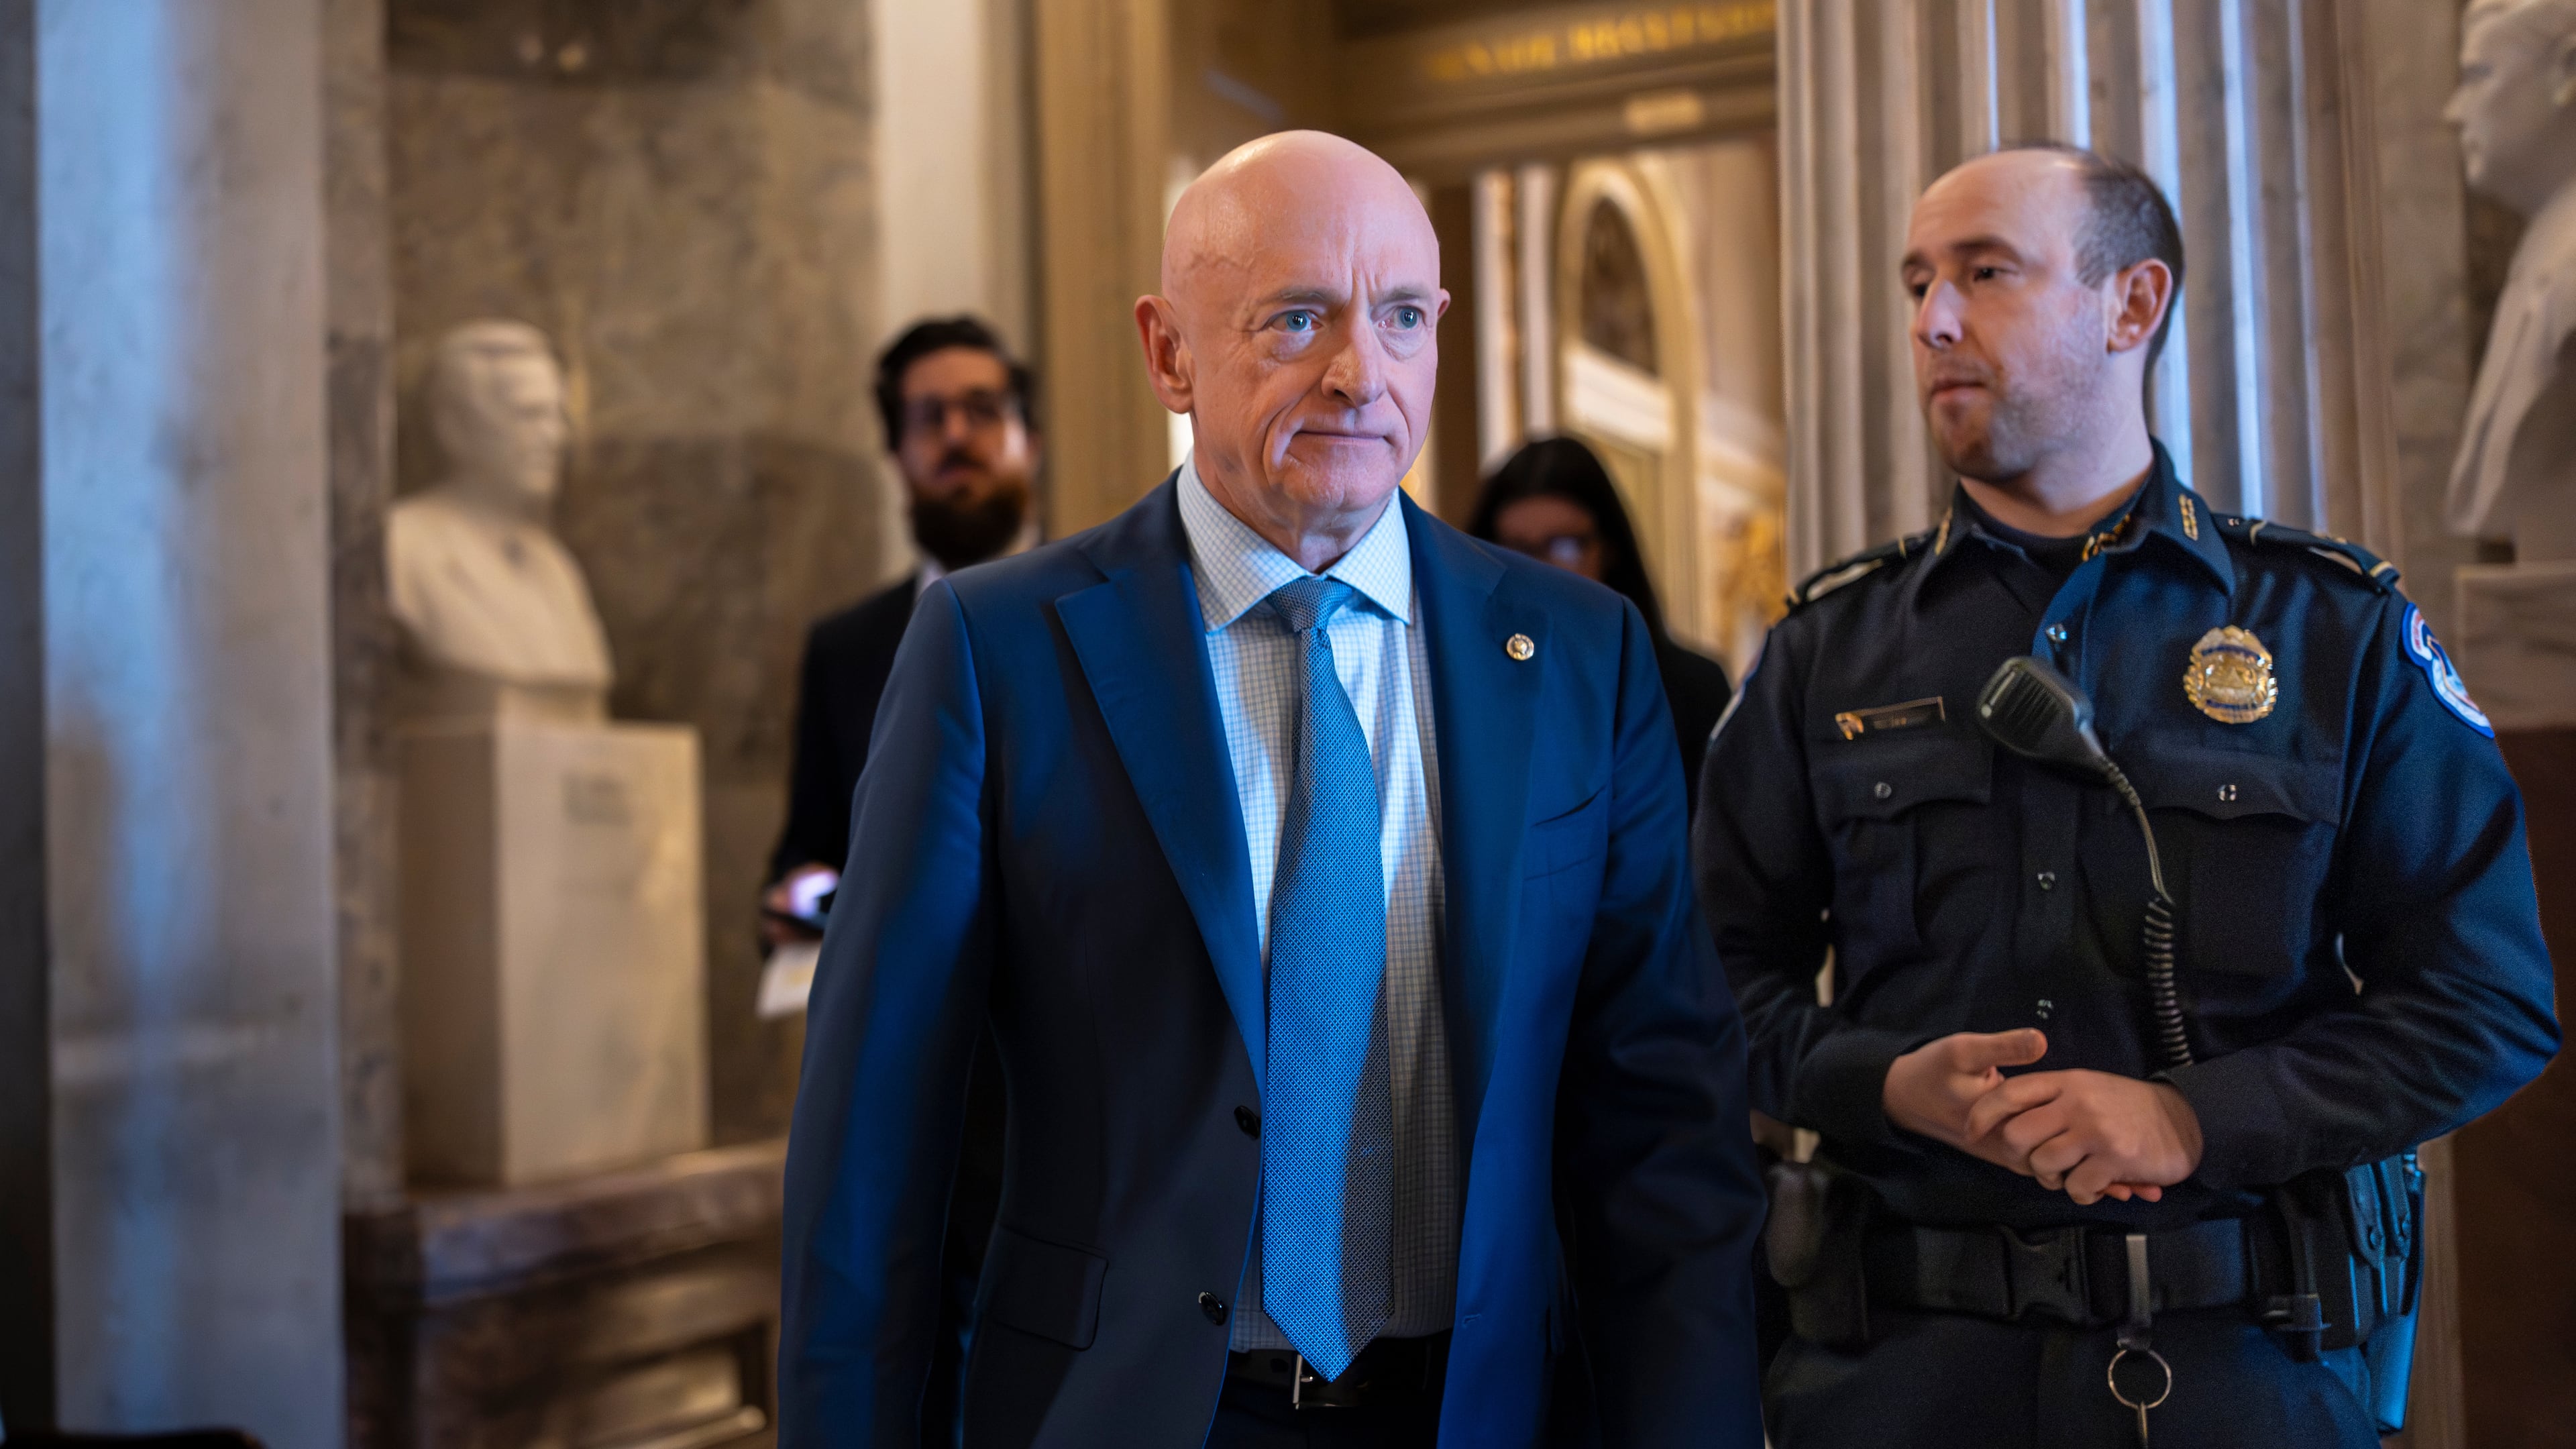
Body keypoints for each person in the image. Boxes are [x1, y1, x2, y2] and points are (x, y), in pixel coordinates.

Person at [780, 130, 1766, 1448]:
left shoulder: (1579, 657)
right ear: (1169, 351)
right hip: (1125, 1415)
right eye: (1296, 318)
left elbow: (1665, 1128)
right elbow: (871, 1152)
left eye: (1403, 316)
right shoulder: (994, 649)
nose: (1361, 373)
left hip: (1476, 1415)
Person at [1695, 144, 2559, 1448]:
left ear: (2133, 304)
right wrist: (1877, 1084)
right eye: (1918, 282)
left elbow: (2485, 1003)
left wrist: (2188, 1118)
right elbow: (1699, 985)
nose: (1932, 320)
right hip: (1897, 1374)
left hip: (2241, 1364)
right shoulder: (1830, 648)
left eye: (1986, 274)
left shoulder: (2333, 630)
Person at [764, 315, 1039, 1448]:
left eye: (983, 410)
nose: (958, 438)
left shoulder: (1123, 611)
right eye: (930, 419)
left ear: (1027, 435)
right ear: (897, 454)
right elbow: (800, 854)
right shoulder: (851, 645)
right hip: (924, 1076)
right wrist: (809, 893)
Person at [1470, 437, 1732, 810]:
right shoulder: (1463, 683)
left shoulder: (1692, 688)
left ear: (1608, 550)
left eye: (1564, 547)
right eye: (1516, 551)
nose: (1540, 570)